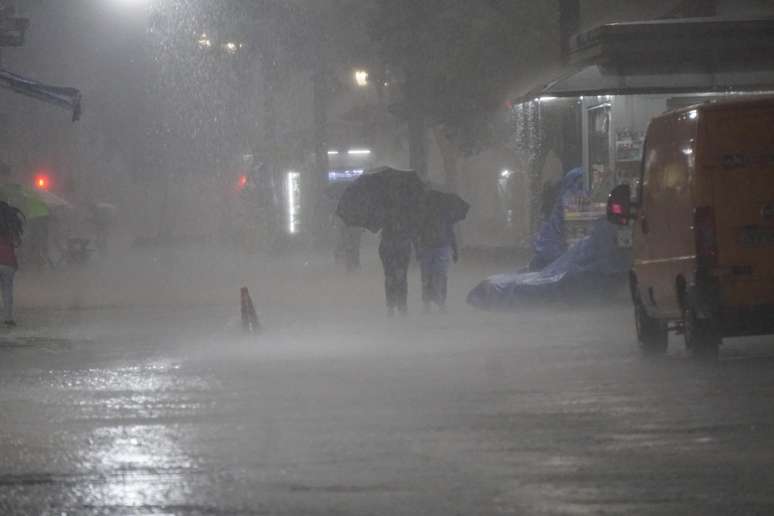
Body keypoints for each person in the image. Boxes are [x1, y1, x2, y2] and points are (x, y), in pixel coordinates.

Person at [417, 209, 458, 313]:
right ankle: (432, 304)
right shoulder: (424, 215)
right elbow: (451, 233)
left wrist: (455, 250)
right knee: (431, 277)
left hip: (437, 248)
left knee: (436, 276)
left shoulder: (424, 214)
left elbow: (451, 233)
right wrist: (455, 250)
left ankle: (438, 304)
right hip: (433, 248)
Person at [379, 217, 415, 317]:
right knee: (396, 279)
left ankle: (398, 305)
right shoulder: (391, 226)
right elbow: (382, 250)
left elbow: (382, 250)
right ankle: (397, 305)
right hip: (393, 253)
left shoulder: (403, 225)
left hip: (398, 253)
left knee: (396, 279)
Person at [0, 201, 24, 327]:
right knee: (7, 291)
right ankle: (8, 318)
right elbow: (17, 243)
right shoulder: (11, 226)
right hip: (8, 262)